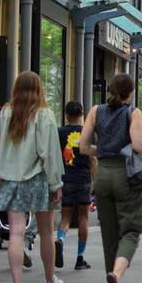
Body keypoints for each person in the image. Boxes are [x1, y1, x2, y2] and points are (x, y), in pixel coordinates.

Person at [0, 72, 64, 283]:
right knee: (46, 233)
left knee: (15, 233)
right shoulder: (45, 115)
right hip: (38, 179)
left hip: (11, 179)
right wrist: (56, 183)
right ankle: (50, 282)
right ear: (39, 89)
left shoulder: (6, 113)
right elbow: (50, 152)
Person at [80, 73, 142, 283]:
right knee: (130, 230)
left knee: (109, 234)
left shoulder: (95, 111)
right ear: (130, 93)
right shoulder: (133, 112)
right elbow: (140, 145)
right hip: (125, 175)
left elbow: (83, 147)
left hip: (102, 176)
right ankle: (117, 277)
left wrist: (103, 150)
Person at [55, 101, 96, 270]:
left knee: (65, 217)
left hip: (66, 179)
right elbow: (92, 159)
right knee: (83, 218)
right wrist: (96, 181)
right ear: (82, 114)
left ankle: (60, 239)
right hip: (83, 179)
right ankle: (80, 258)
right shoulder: (88, 133)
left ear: (66, 114)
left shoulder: (59, 133)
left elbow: (55, 156)